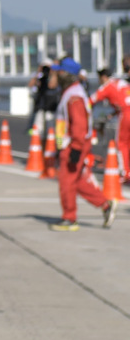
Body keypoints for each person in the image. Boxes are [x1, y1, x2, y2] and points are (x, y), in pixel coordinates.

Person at [51, 58, 118, 231]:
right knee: (77, 181)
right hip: (73, 143)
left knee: (67, 182)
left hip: (74, 144)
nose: (56, 74)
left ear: (67, 75)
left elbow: (79, 124)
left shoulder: (74, 95)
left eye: (59, 71)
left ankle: (69, 218)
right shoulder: (71, 91)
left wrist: (76, 147)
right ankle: (105, 205)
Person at [90, 68, 130, 181]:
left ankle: (125, 172)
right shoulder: (121, 82)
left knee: (121, 143)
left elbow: (91, 100)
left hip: (125, 114)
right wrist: (111, 115)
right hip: (125, 111)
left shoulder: (107, 86)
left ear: (103, 77)